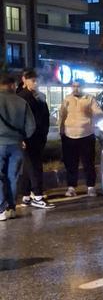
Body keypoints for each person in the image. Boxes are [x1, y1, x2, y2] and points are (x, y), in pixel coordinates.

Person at [59, 79, 103, 197]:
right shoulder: (67, 99)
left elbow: (98, 112)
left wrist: (96, 115)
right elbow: (62, 115)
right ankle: (71, 187)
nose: (75, 88)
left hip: (86, 135)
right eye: (73, 86)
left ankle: (91, 187)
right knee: (70, 163)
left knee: (88, 162)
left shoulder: (90, 99)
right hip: (69, 135)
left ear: (83, 87)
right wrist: (61, 130)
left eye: (78, 86)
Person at [0, 72, 36, 221]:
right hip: (17, 145)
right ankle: (11, 208)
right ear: (12, 85)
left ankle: (1, 209)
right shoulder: (22, 102)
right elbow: (31, 126)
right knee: (12, 177)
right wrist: (22, 137)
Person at [17, 70, 55, 209]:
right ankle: (38, 196)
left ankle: (26, 195)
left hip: (39, 137)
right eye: (33, 80)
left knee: (29, 167)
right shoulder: (21, 97)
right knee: (34, 166)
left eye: (37, 80)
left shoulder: (40, 96)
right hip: (28, 137)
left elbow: (45, 116)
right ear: (25, 80)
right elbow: (19, 119)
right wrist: (21, 138)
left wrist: (45, 133)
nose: (36, 83)